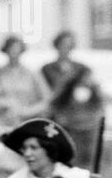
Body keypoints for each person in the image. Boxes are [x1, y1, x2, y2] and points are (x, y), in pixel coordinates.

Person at [42, 30, 104, 166]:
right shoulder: (47, 69)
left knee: (82, 157)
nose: (66, 49)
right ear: (57, 46)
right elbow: (49, 96)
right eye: (63, 45)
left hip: (79, 118)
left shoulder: (81, 68)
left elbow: (93, 93)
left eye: (69, 45)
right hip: (59, 118)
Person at [0, 35, 50, 125]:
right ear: (6, 50)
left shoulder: (31, 73)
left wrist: (28, 111)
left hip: (28, 121)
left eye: (17, 49)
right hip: (4, 122)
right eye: (11, 49)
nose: (14, 52)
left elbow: (46, 100)